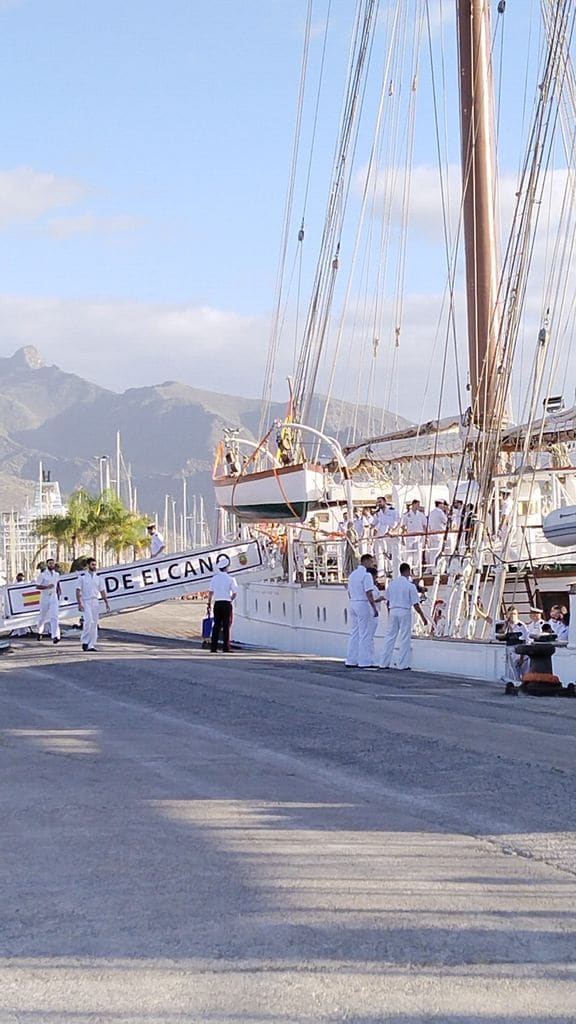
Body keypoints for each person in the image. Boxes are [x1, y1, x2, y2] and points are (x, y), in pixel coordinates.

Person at [379, 563, 428, 671]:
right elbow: (416, 604)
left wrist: (389, 612)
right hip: (404, 611)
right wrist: (423, 617)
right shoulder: (410, 586)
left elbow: (387, 600)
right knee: (404, 638)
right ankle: (402, 664)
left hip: (393, 610)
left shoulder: (392, 584)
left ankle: (383, 663)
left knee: (390, 637)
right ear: (407, 571)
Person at [345, 553, 380, 668]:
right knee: (365, 633)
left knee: (354, 633)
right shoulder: (366, 575)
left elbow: (349, 592)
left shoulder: (352, 575)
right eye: (371, 562)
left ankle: (351, 660)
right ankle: (365, 661)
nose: (372, 564)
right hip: (363, 603)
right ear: (366, 561)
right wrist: (374, 608)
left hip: (353, 603)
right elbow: (369, 593)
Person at [75, 558, 110, 652]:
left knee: (94, 623)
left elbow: (102, 591)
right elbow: (78, 591)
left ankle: (91, 644)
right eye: (92, 565)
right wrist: (79, 603)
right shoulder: (82, 578)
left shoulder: (98, 578)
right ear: (88, 565)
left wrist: (106, 602)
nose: (94, 566)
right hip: (86, 601)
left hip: (95, 601)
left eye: (95, 564)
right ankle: (85, 641)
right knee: (88, 621)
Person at [208, 560, 238, 652]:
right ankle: (226, 647)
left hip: (217, 603)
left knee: (216, 625)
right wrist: (230, 599)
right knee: (226, 625)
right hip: (226, 603)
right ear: (226, 568)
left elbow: (210, 592)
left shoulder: (214, 578)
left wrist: (209, 603)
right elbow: (235, 592)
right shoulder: (231, 579)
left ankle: (213, 647)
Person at [36, 557, 62, 644]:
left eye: (53, 563)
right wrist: (46, 587)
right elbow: (37, 586)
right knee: (42, 617)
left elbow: (57, 583)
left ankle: (55, 636)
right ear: (47, 564)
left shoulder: (56, 574)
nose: (52, 565)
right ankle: (39, 631)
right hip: (45, 596)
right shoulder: (43, 575)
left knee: (54, 617)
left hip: (53, 596)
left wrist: (59, 591)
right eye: (50, 563)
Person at [365, 565, 386, 666]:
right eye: (375, 576)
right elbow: (371, 599)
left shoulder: (372, 587)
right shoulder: (371, 588)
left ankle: (369, 658)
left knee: (369, 636)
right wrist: (380, 599)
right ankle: (370, 659)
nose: (376, 579)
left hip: (371, 611)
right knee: (369, 637)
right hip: (372, 612)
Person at [401, 500, 427, 576]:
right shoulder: (406, 515)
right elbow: (403, 526)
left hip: (419, 536)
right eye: (417, 505)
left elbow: (424, 525)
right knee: (408, 554)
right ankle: (409, 570)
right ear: (413, 505)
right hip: (409, 536)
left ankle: (416, 570)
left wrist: (426, 537)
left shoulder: (421, 515)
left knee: (417, 554)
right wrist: (403, 537)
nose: (418, 506)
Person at [426, 500, 448, 570]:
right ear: (439, 504)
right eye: (442, 504)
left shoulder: (431, 512)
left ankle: (431, 568)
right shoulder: (440, 512)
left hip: (431, 534)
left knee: (432, 552)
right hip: (439, 534)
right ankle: (435, 569)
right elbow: (446, 521)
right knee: (437, 552)